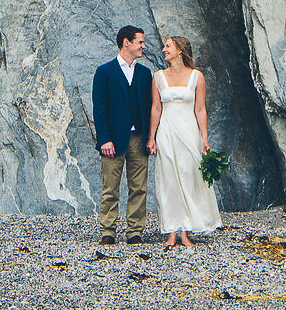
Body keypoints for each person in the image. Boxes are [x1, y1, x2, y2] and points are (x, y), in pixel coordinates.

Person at [148, 34, 221, 246]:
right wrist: (151, 137)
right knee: (169, 179)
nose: (164, 49)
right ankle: (171, 230)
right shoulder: (158, 77)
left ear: (180, 49)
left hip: (189, 131)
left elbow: (200, 109)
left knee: (190, 176)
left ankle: (187, 230)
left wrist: (205, 137)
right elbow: (156, 108)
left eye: (168, 46)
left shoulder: (197, 76)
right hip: (167, 131)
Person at [91, 25, 153, 244]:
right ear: (126, 43)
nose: (143, 46)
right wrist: (104, 139)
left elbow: (149, 107)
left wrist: (150, 137)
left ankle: (135, 230)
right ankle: (108, 230)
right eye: (140, 42)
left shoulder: (145, 73)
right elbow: (99, 108)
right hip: (113, 139)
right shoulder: (104, 72)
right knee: (110, 187)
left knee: (139, 187)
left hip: (139, 138)